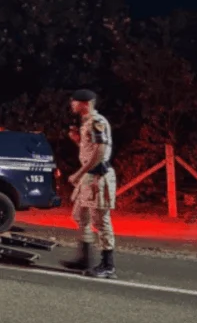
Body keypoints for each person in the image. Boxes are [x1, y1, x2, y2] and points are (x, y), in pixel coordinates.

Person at [61, 89, 117, 278]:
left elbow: (100, 152)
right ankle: (84, 258)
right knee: (80, 215)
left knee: (101, 220)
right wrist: (78, 141)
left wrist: (79, 173)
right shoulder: (87, 123)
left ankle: (108, 265)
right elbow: (91, 149)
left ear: (85, 103)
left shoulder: (96, 122)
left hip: (97, 177)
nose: (72, 105)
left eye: (74, 102)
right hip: (89, 176)